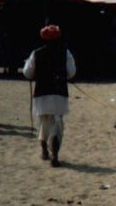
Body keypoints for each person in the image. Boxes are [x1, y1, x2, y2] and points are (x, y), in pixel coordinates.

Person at [23, 25, 76, 167]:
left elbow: (27, 73)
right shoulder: (66, 53)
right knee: (57, 124)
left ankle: (44, 150)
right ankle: (55, 156)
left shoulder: (36, 53)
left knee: (44, 123)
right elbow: (71, 73)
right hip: (59, 94)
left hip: (41, 94)